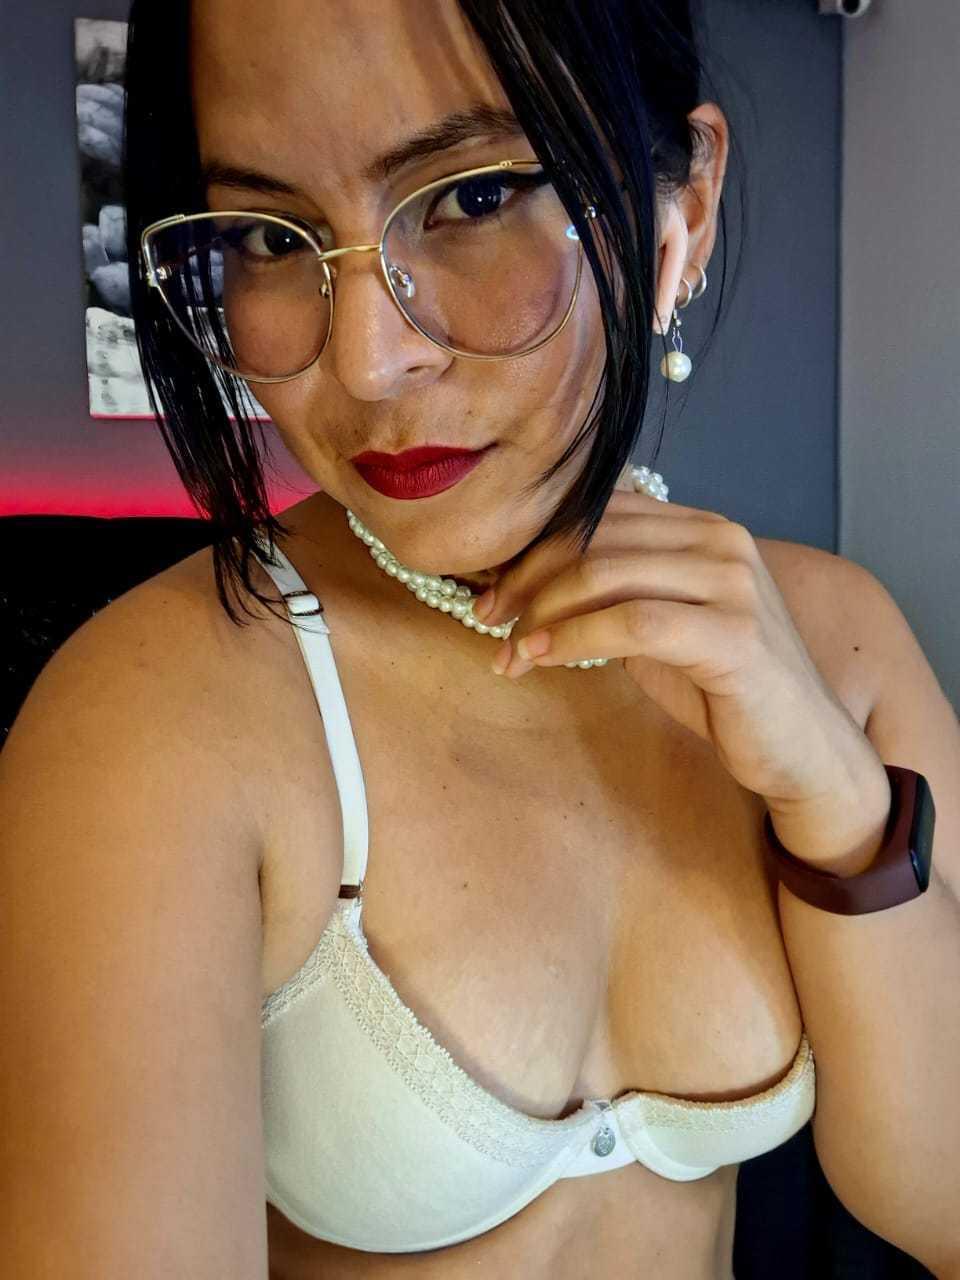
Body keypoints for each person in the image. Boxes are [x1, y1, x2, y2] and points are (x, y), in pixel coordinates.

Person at [4, 2, 957, 1279]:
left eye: (475, 196)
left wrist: (840, 806)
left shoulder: (836, 643)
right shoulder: (155, 723)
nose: (368, 359)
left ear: (681, 210)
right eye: (266, 237)